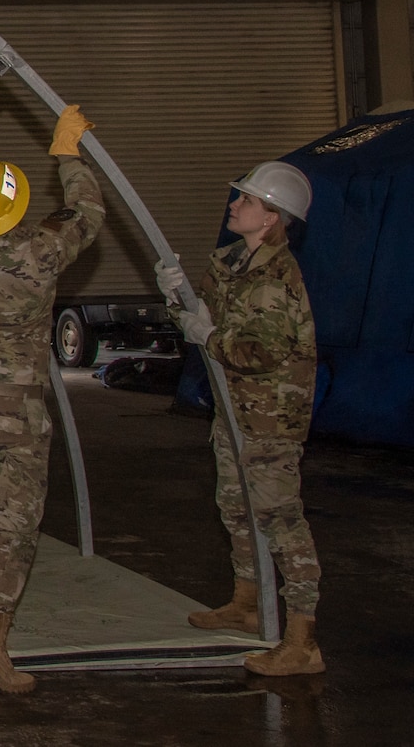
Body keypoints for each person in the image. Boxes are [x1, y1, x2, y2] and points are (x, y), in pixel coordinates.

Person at [0, 40, 102, 694]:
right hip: (13, 408)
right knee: (12, 518)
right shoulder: (37, 255)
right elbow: (87, 214)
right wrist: (67, 153)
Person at [157, 160, 323, 676]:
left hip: (268, 419)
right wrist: (176, 295)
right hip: (234, 412)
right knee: (236, 508)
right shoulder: (232, 261)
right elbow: (199, 314)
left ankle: (302, 640)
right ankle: (248, 603)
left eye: (247, 201)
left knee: (281, 521)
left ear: (271, 218)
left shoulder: (277, 278)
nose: (235, 204)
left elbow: (260, 352)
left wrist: (206, 335)